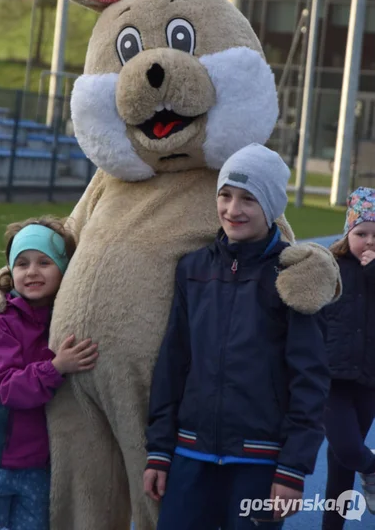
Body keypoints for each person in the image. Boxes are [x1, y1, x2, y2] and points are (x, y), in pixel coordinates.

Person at [143, 143, 330, 529]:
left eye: (248, 199)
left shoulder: (293, 277)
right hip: (190, 454)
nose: (232, 209)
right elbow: (172, 363)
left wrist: (293, 468)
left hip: (260, 462)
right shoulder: (192, 269)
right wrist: (160, 450)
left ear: (272, 205)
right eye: (225, 195)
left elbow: (309, 380)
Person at [0, 217, 99, 530]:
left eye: (44, 262)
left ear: (64, 267)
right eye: (22, 263)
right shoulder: (1, 321)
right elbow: (6, 387)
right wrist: (56, 367)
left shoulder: (67, 319)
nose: (32, 271)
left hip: (43, 464)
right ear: (10, 271)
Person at [321, 187, 375, 529]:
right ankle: (372, 469)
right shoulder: (330, 266)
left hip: (369, 380)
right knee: (349, 449)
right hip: (332, 379)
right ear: (347, 233)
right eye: (361, 234)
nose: (369, 242)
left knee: (340, 465)